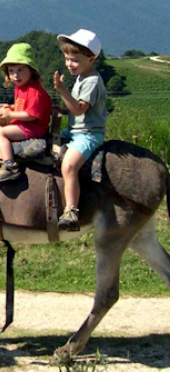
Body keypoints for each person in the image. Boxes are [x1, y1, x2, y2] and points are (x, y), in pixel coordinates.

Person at [53, 29, 107, 231]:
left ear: (91, 59)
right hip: (75, 131)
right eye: (67, 59)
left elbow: (79, 109)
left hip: (88, 135)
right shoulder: (82, 76)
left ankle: (71, 210)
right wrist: (62, 110)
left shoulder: (92, 81)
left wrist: (62, 91)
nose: (69, 64)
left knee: (68, 165)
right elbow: (74, 109)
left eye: (74, 60)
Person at [0, 42, 52, 182]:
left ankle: (10, 166)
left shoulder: (35, 91)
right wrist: (10, 107)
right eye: (11, 71)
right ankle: (6, 149)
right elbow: (22, 106)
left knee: (0, 132)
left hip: (34, 128)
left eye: (20, 70)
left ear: (31, 71)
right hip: (25, 124)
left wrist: (9, 115)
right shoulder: (21, 87)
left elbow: (31, 115)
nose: (15, 75)